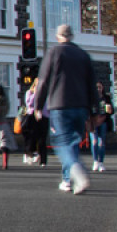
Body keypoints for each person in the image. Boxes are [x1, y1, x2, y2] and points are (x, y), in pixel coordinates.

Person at [35, 24, 99, 195]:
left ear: (58, 36)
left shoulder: (54, 52)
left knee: (62, 142)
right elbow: (92, 85)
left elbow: (43, 82)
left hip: (60, 104)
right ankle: (67, 180)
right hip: (81, 106)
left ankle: (76, 170)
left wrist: (38, 106)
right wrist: (94, 110)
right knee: (72, 142)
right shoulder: (83, 55)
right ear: (72, 36)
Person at [23, 78, 49, 166]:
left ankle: (43, 160)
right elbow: (29, 104)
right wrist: (35, 93)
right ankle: (30, 154)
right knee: (31, 137)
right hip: (32, 116)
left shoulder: (46, 93)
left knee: (42, 139)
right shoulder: (29, 93)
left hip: (43, 116)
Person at [90, 81, 114, 172]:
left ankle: (101, 162)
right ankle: (95, 161)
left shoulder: (106, 98)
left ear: (102, 88)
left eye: (100, 87)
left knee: (101, 143)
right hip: (94, 122)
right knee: (95, 141)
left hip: (103, 121)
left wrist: (110, 110)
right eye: (96, 87)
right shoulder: (91, 98)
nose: (98, 89)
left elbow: (111, 111)